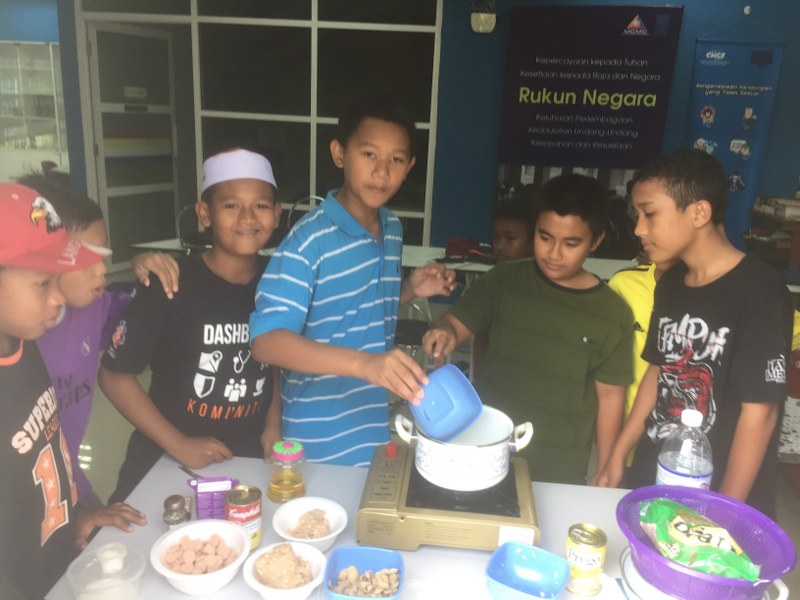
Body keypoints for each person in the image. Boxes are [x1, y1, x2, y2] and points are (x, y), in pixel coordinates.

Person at [249, 95, 456, 467]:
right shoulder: (309, 240)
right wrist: (365, 365)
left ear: (409, 166)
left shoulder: (391, 229)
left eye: (396, 159)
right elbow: (266, 342)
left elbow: (357, 309)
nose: (382, 171)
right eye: (369, 154)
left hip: (371, 426)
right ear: (339, 154)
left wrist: (410, 289)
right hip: (315, 436)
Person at [593, 148, 793, 518]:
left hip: (720, 492)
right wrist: (618, 454)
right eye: (637, 215)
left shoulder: (759, 292)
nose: (638, 229)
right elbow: (659, 370)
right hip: (657, 469)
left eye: (650, 214)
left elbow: (760, 413)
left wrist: (721, 513)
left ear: (699, 213)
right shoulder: (671, 283)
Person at [423, 173, 634, 484]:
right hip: (486, 451)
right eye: (545, 237)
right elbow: (455, 323)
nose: (554, 253)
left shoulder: (612, 313)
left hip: (560, 466)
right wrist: (445, 332)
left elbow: (612, 398)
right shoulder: (504, 281)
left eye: (571, 243)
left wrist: (606, 464)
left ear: (596, 240)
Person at [99, 148, 283, 504]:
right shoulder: (170, 282)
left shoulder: (278, 282)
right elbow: (114, 376)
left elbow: (273, 358)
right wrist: (179, 444)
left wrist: (272, 424)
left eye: (260, 205)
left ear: (276, 213)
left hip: (248, 457)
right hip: (165, 460)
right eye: (231, 205)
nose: (247, 217)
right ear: (205, 213)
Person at [0, 183, 145, 600]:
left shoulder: (24, 346)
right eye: (43, 283)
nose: (58, 297)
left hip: (57, 557)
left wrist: (75, 517)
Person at [15, 171, 179, 505]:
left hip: (69, 484)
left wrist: (144, 268)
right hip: (21, 505)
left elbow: (143, 313)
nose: (102, 269)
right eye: (85, 258)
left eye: (102, 256)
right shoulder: (18, 339)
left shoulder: (94, 307)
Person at [472, 200, 536, 379]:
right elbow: (481, 338)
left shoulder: (540, 288)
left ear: (533, 242)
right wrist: (478, 379)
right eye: (496, 237)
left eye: (510, 238)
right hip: (495, 380)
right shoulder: (493, 283)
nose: (499, 246)